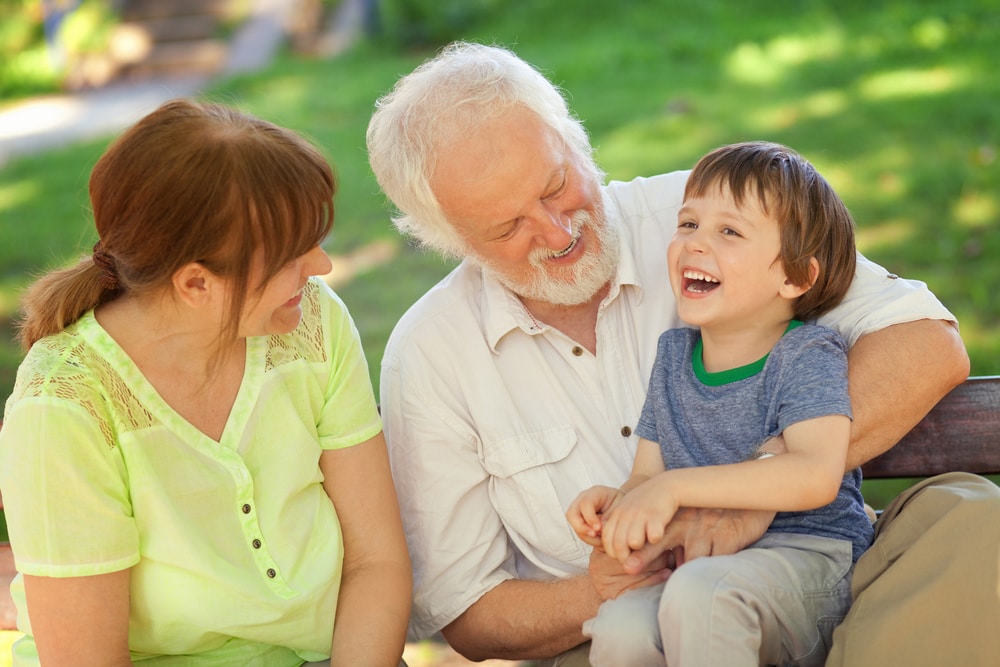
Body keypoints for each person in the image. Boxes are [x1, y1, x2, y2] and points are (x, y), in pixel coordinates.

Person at [367, 41, 998, 666]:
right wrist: (609, 573)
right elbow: (469, 614)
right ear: (451, 241)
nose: (556, 233)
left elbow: (925, 342)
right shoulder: (430, 354)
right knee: (636, 625)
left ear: (577, 142)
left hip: (818, 578)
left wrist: (741, 492)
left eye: (556, 186)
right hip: (627, 630)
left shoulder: (708, 217)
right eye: (507, 228)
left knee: (971, 519)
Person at [0, 98, 411, 666]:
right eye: (292, 254)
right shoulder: (64, 406)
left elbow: (377, 562)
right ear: (197, 284)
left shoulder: (311, 321)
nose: (320, 267)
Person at [566, 141, 872, 666]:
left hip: (812, 564)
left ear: (795, 277)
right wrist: (619, 506)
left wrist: (675, 487)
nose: (695, 244)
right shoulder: (673, 356)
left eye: (728, 231)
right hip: (703, 573)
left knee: (702, 593)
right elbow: (646, 474)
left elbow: (815, 473)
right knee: (621, 624)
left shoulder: (803, 354)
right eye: (688, 225)